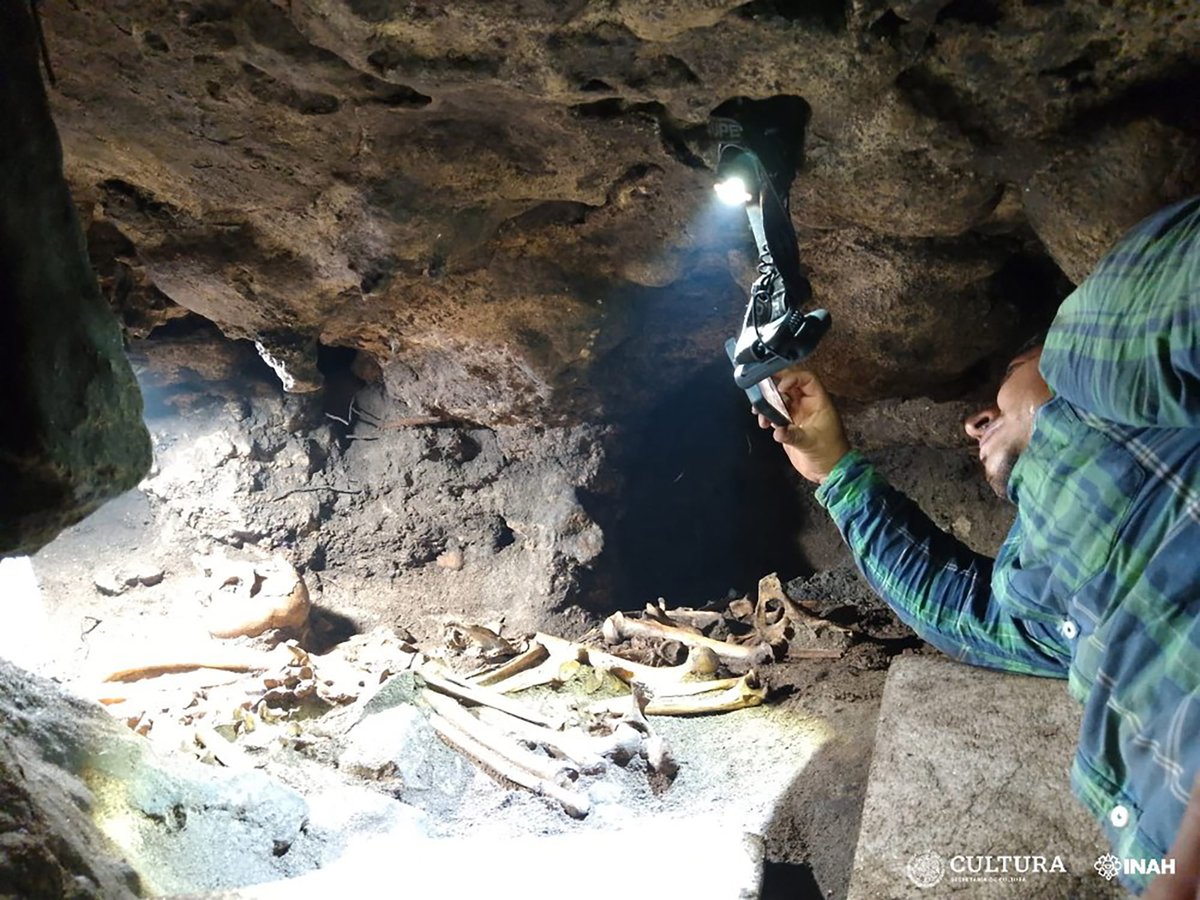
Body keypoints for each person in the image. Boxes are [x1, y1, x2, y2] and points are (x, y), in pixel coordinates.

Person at [759, 197, 1200, 896]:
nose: (973, 423)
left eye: (1011, 372)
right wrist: (834, 470)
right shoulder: (1049, 590)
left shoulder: (1100, 346)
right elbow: (961, 613)